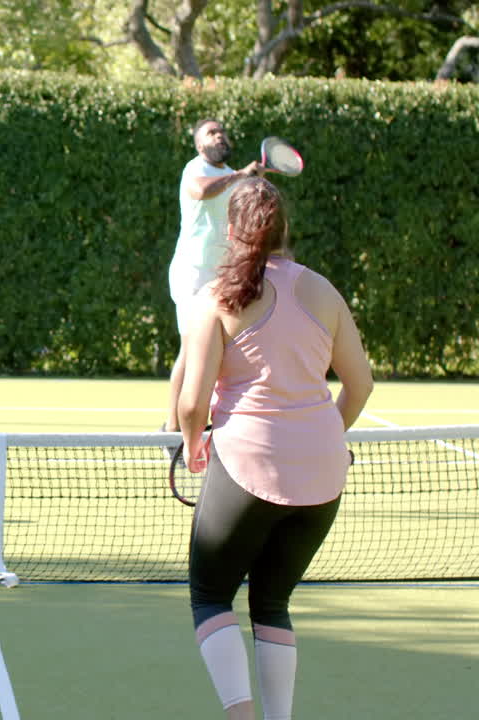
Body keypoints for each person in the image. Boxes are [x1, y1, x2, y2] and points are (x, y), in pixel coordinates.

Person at [177, 177, 374, 720]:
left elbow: (192, 402)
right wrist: (327, 435)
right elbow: (361, 385)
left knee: (211, 597)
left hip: (245, 465)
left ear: (234, 232)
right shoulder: (323, 290)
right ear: (284, 231)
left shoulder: (214, 298)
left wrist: (193, 444)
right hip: (323, 476)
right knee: (272, 604)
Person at [164, 119, 265, 438]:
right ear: (199, 145)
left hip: (223, 273)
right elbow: (201, 191)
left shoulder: (232, 177)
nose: (220, 136)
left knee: (220, 349)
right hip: (192, 271)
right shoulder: (194, 169)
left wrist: (255, 184)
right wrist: (241, 176)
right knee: (191, 347)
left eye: (222, 131)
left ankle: (214, 422)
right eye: (211, 132)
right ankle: (171, 429)